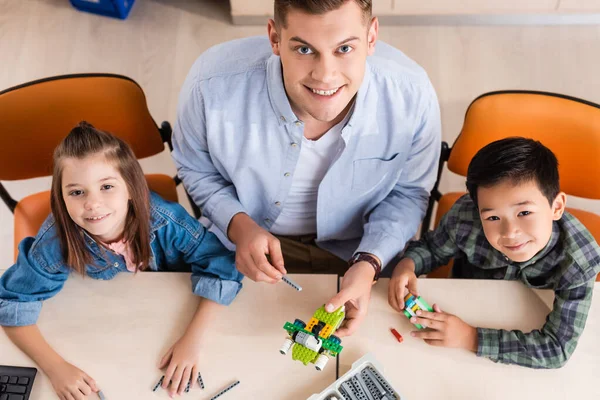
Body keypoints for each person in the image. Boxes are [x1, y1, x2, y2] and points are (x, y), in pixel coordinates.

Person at [172, 0, 441, 336]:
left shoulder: (412, 95)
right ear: (274, 37)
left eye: (344, 48)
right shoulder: (210, 84)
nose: (325, 75)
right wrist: (239, 226)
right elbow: (195, 169)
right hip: (240, 246)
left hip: (363, 249)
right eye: (303, 49)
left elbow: (409, 192)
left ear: (372, 36)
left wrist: (370, 261)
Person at [0, 122, 243, 399]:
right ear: (61, 197)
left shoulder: (166, 221)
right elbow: (12, 303)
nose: (92, 203)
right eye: (76, 192)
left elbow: (222, 266)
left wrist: (193, 340)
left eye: (106, 186)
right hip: (103, 325)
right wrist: (55, 368)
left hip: (170, 316)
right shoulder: (55, 242)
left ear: (130, 187)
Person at [388, 137, 600, 369]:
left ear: (556, 207)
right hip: (466, 305)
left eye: (525, 212)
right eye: (493, 218)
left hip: (515, 323)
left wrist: (470, 337)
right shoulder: (466, 218)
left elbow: (556, 348)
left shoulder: (581, 261)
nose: (510, 232)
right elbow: (432, 249)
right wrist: (407, 264)